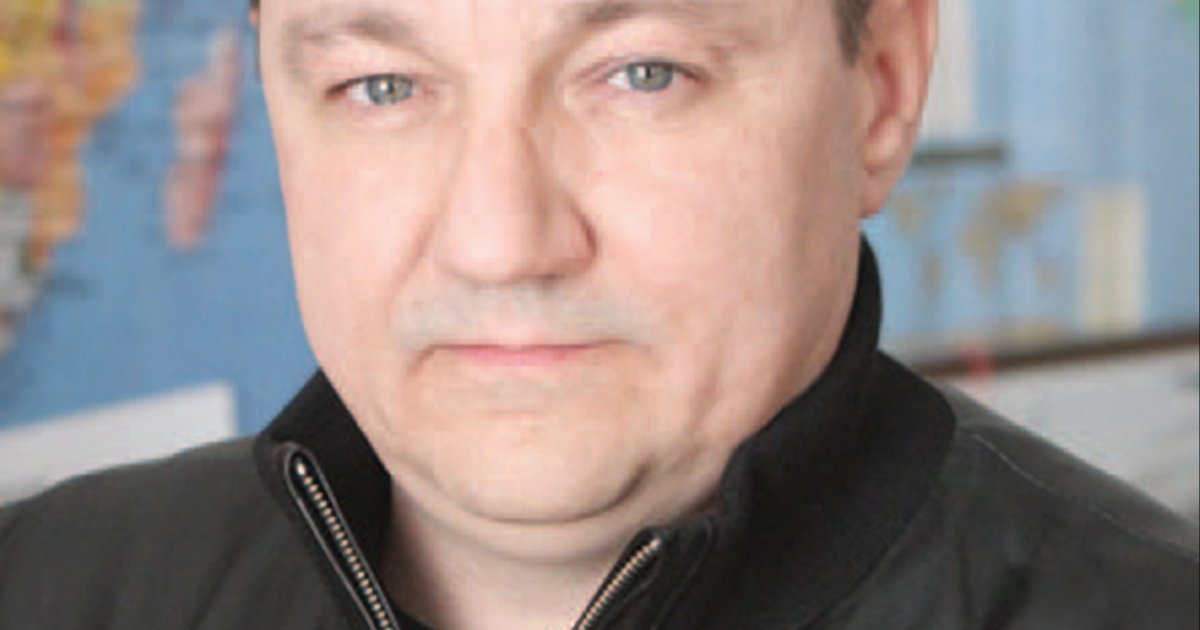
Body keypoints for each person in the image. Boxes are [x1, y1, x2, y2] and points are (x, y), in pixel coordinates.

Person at [0, 0, 1196, 627]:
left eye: (643, 72)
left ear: (879, 91)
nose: (499, 240)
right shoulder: (45, 587)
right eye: (381, 85)